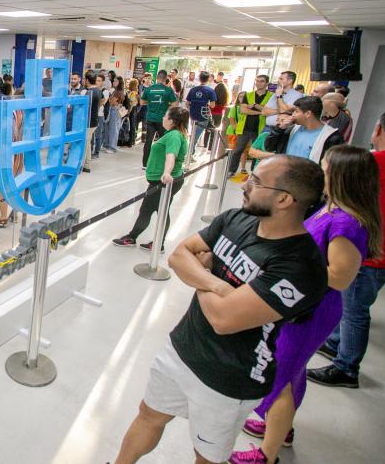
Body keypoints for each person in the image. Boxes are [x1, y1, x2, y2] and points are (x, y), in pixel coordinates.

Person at [114, 155, 329, 464]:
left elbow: (223, 319)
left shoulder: (301, 267)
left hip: (231, 377)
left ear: (284, 199)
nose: (246, 185)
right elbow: (179, 255)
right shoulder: (235, 219)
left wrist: (204, 274)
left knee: (208, 454)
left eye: (256, 181)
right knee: (149, 415)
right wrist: (217, 285)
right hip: (183, 346)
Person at [230, 145, 382, 464]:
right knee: (291, 370)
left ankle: (267, 454)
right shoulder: (330, 209)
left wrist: (290, 267)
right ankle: (278, 426)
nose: (320, 174)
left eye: (326, 170)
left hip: (312, 309)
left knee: (280, 376)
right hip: (298, 302)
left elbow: (339, 276)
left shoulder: (347, 223)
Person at [309, 107, 385, 389]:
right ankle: (336, 342)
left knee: (355, 310)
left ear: (379, 130)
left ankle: (346, 367)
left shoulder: (373, 164)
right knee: (352, 305)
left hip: (371, 254)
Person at [112, 107, 190, 252]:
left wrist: (166, 173)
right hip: (166, 180)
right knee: (162, 211)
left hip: (163, 182)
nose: (163, 118)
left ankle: (133, 237)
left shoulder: (173, 136)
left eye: (165, 115)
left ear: (172, 121)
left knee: (147, 210)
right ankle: (157, 243)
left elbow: (171, 156)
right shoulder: (176, 134)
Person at [263, 96, 343, 164]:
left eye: (296, 111)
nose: (293, 114)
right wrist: (279, 128)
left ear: (308, 114)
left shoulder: (331, 137)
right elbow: (269, 147)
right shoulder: (290, 129)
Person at [227, 75, 273, 177]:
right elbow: (243, 110)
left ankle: (255, 172)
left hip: (260, 129)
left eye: (262, 81)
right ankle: (231, 170)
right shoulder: (248, 95)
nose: (259, 83)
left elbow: (269, 111)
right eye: (257, 81)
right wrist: (260, 112)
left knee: (258, 151)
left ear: (266, 83)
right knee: (238, 150)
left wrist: (256, 106)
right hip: (245, 128)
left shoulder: (271, 96)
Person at [140, 71, 179, 169]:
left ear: (157, 78)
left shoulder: (148, 89)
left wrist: (150, 103)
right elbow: (175, 104)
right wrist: (167, 106)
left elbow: (141, 102)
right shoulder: (168, 90)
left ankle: (145, 164)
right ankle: (162, 164)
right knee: (163, 142)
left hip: (150, 118)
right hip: (162, 120)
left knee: (148, 141)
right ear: (166, 78)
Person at [185, 71, 216, 152]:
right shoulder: (210, 90)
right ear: (208, 79)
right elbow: (213, 105)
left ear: (199, 78)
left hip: (193, 115)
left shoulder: (193, 90)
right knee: (196, 135)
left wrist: (192, 108)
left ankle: (191, 152)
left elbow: (187, 103)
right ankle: (190, 153)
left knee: (194, 133)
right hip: (203, 116)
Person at [82, 71, 104, 171]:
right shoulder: (99, 91)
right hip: (94, 121)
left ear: (87, 80)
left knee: (85, 144)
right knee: (87, 142)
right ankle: (87, 165)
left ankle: (84, 165)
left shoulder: (88, 92)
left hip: (89, 122)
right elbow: (102, 101)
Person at [104, 76, 127, 154]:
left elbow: (111, 102)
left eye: (116, 81)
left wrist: (111, 99)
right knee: (110, 128)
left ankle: (112, 147)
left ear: (119, 83)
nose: (114, 82)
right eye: (113, 81)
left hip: (115, 110)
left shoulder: (118, 92)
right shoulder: (116, 91)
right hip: (114, 110)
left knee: (114, 129)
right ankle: (109, 145)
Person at [205, 74, 229, 149]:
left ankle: (205, 144)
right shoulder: (225, 97)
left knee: (208, 129)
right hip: (219, 114)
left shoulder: (213, 97)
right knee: (215, 131)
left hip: (211, 113)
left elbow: (211, 105)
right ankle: (211, 147)